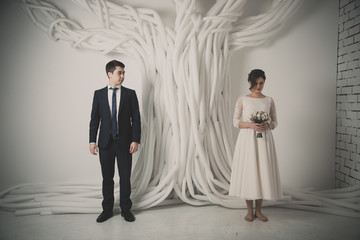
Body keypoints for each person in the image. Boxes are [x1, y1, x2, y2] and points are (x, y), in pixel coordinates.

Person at [89, 60, 141, 223]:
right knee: (107, 178)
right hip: (105, 144)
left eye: (124, 73)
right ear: (110, 74)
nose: (123, 76)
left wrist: (135, 140)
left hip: (125, 143)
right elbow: (94, 119)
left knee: (125, 178)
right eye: (120, 73)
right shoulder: (98, 94)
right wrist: (92, 141)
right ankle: (107, 210)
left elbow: (136, 119)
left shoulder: (130, 94)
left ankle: (126, 210)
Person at [229, 69, 282, 222]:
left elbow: (275, 121)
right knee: (249, 172)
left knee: (262, 171)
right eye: (256, 83)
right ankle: (249, 211)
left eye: (262, 83)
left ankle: (259, 211)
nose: (259, 86)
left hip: (264, 139)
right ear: (250, 82)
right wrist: (250, 125)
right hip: (247, 140)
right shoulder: (242, 99)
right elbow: (235, 121)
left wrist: (269, 125)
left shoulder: (269, 100)